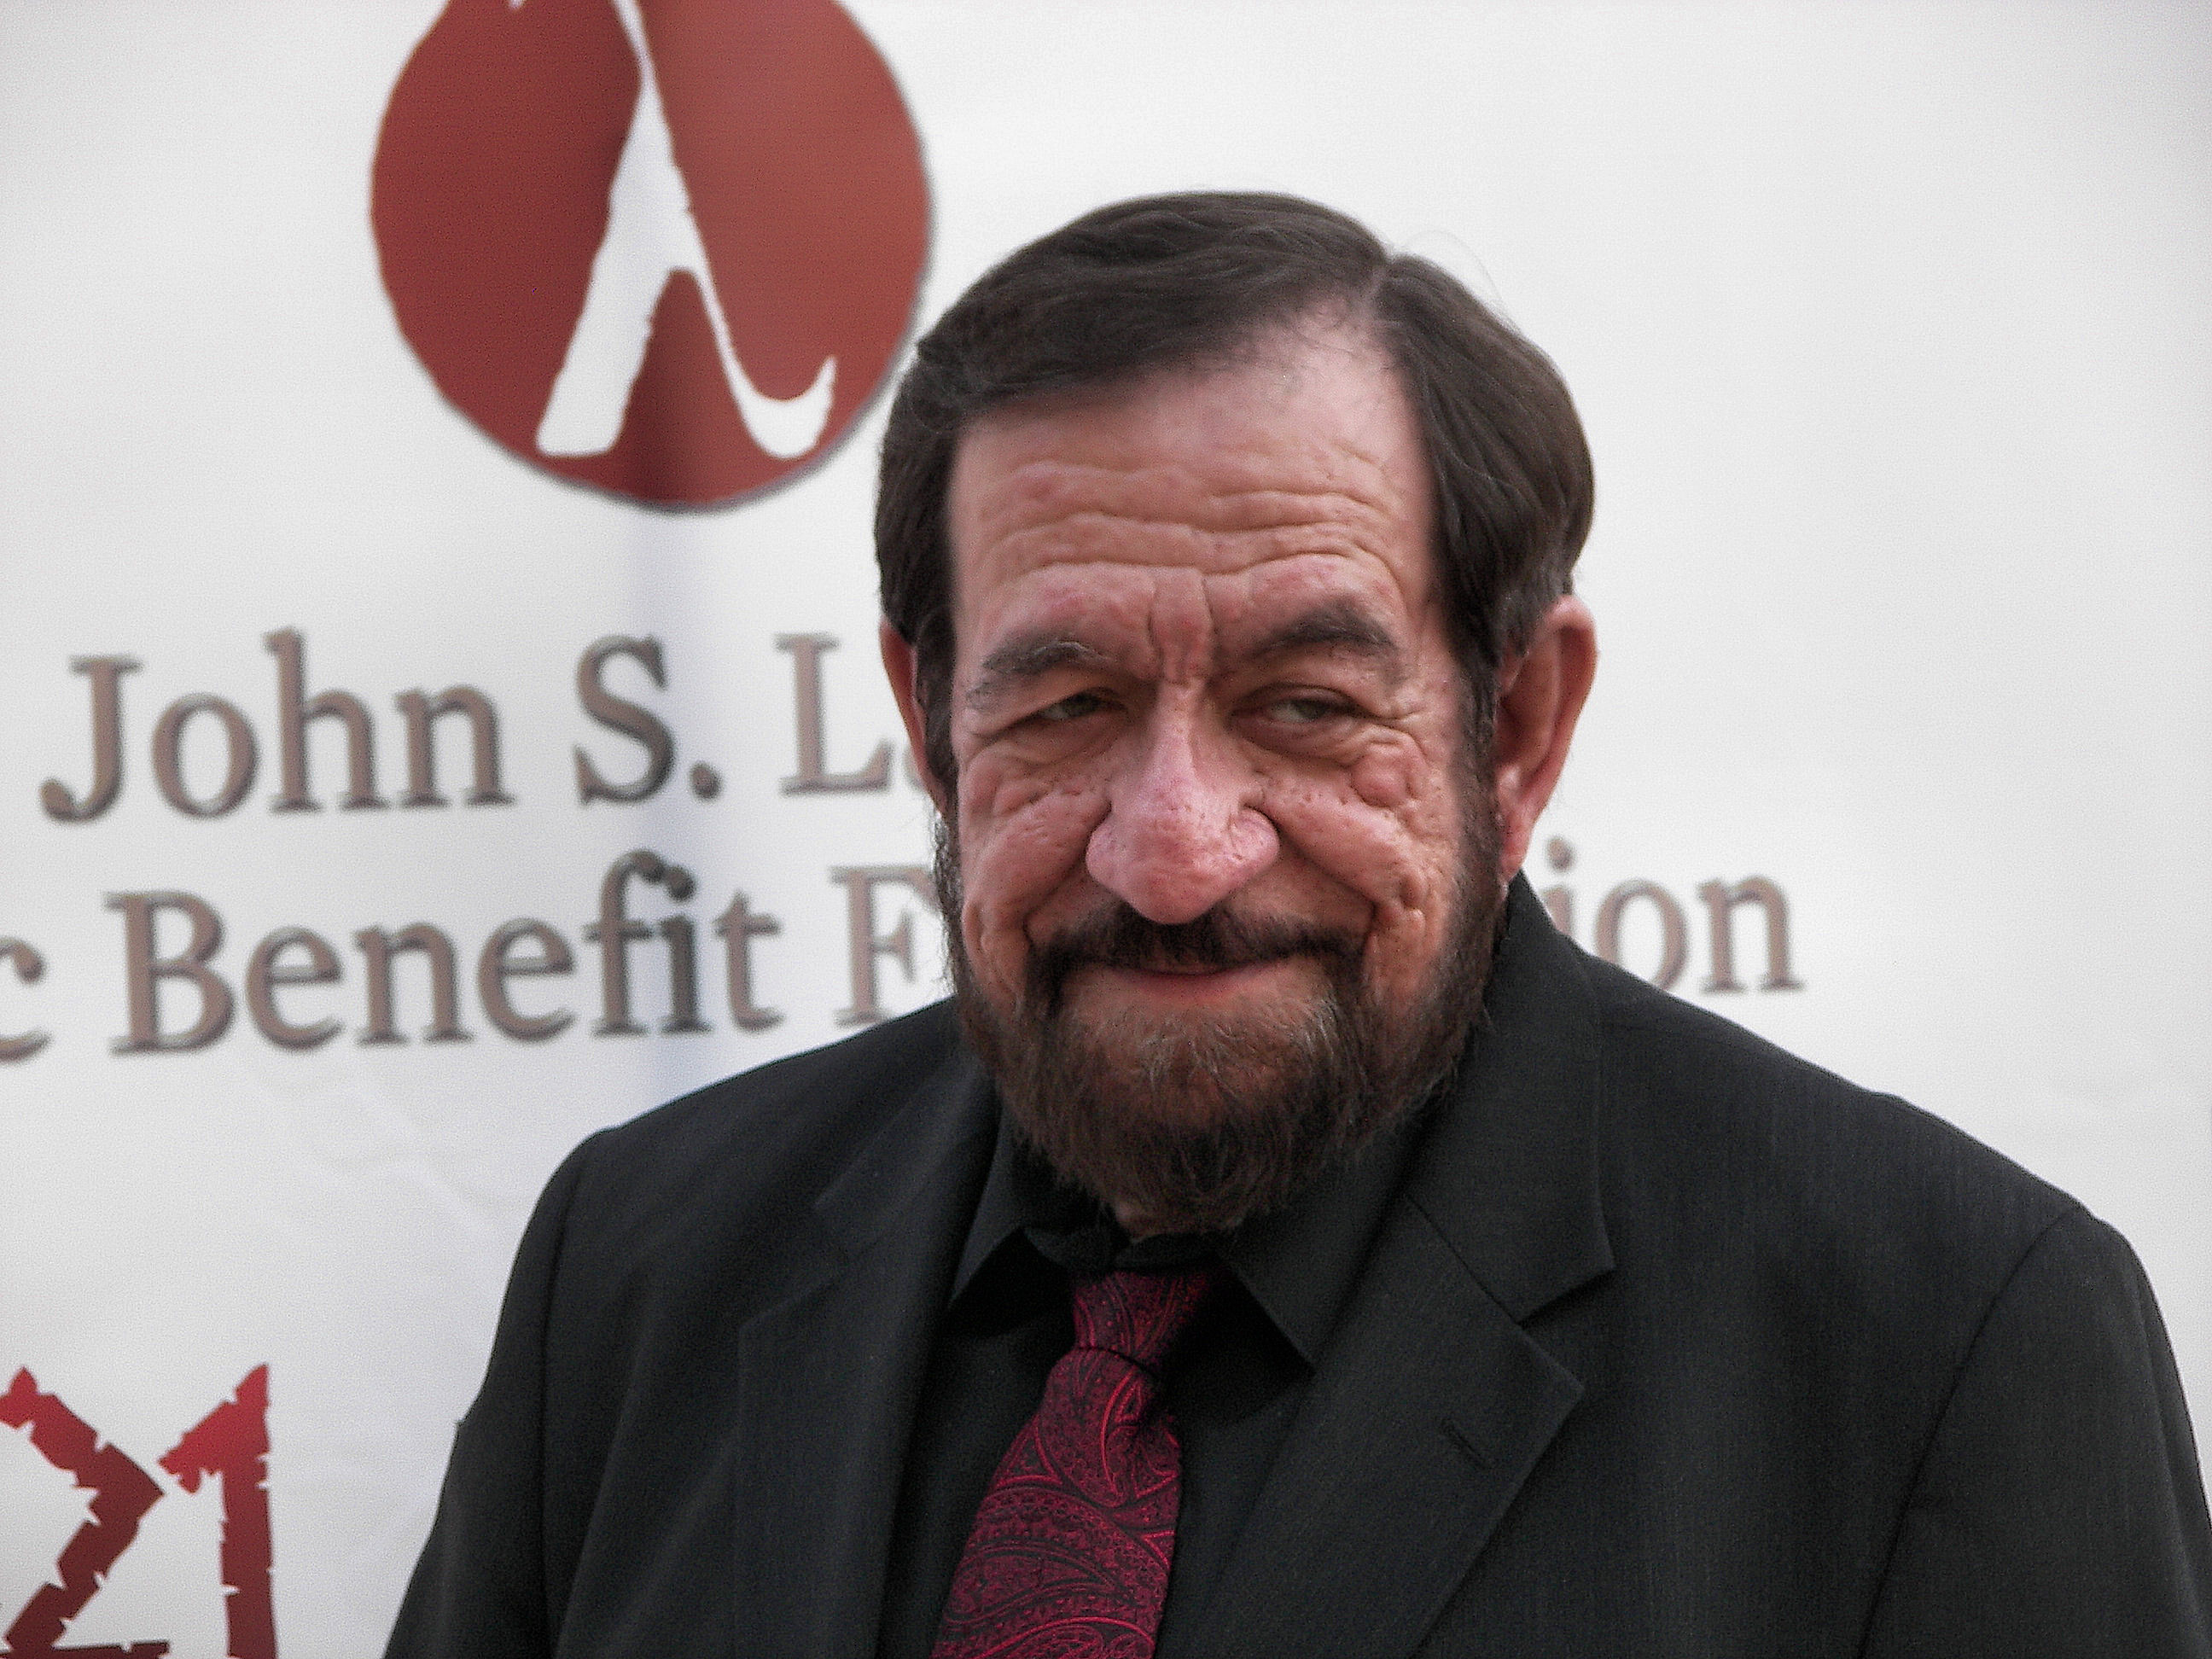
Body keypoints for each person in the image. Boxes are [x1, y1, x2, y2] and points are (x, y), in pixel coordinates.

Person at [387, 194, 2211, 1657]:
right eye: (1067, 706)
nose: (1173, 852)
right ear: (933, 721)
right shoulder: (633, 1276)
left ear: (1514, 726)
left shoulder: (1942, 1346)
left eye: (1307, 706)